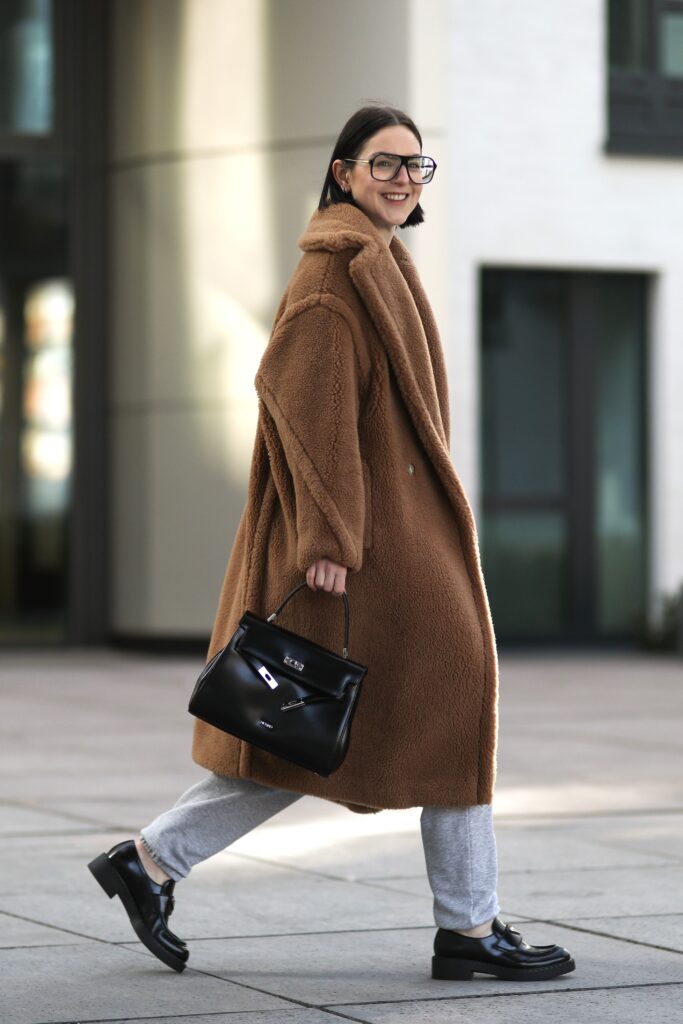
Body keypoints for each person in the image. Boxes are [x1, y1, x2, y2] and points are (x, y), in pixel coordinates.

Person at [88, 104, 576, 983]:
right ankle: (465, 932)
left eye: (414, 167)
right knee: (386, 710)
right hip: (354, 549)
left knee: (315, 731)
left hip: (386, 539)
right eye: (383, 163)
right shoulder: (332, 277)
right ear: (344, 172)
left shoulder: (377, 261)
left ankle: (152, 861)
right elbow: (306, 408)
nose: (400, 178)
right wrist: (328, 534)